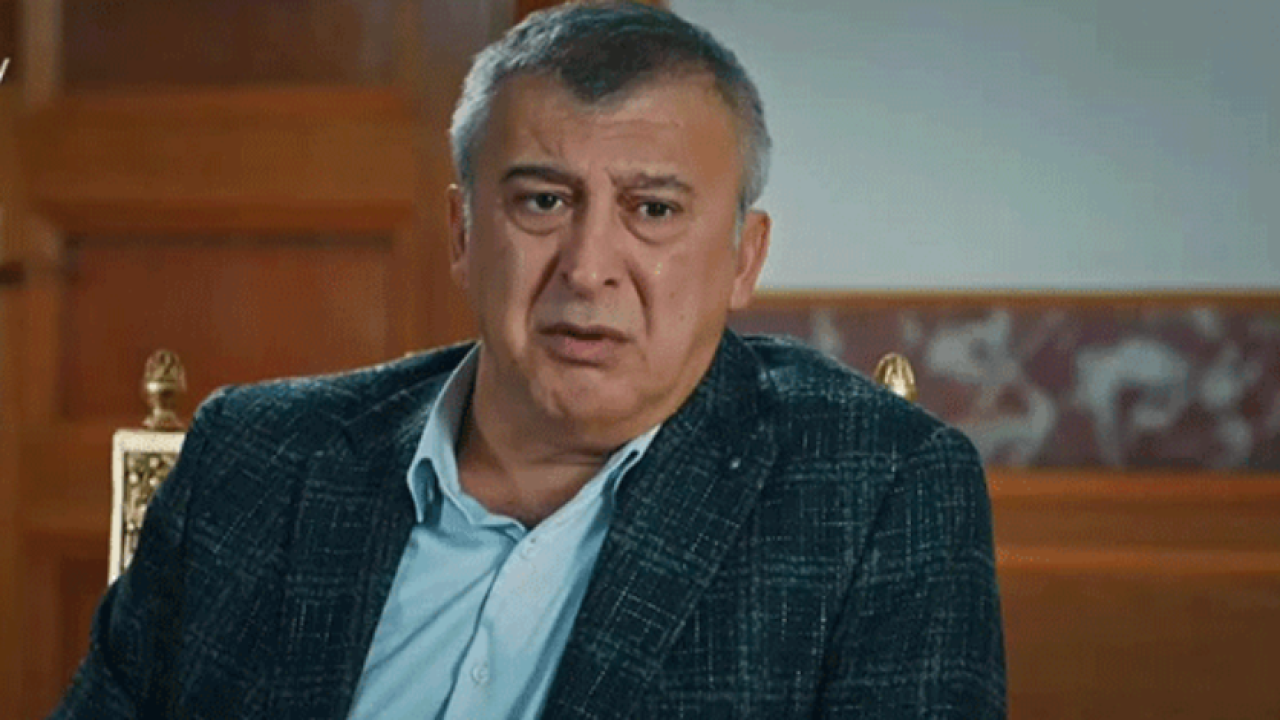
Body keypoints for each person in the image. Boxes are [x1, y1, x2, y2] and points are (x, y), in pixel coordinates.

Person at [52, 2, 1005, 718]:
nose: (588, 268)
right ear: (464, 233)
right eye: (543, 201)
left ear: (743, 258)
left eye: (654, 210)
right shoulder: (254, 460)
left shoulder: (875, 494)